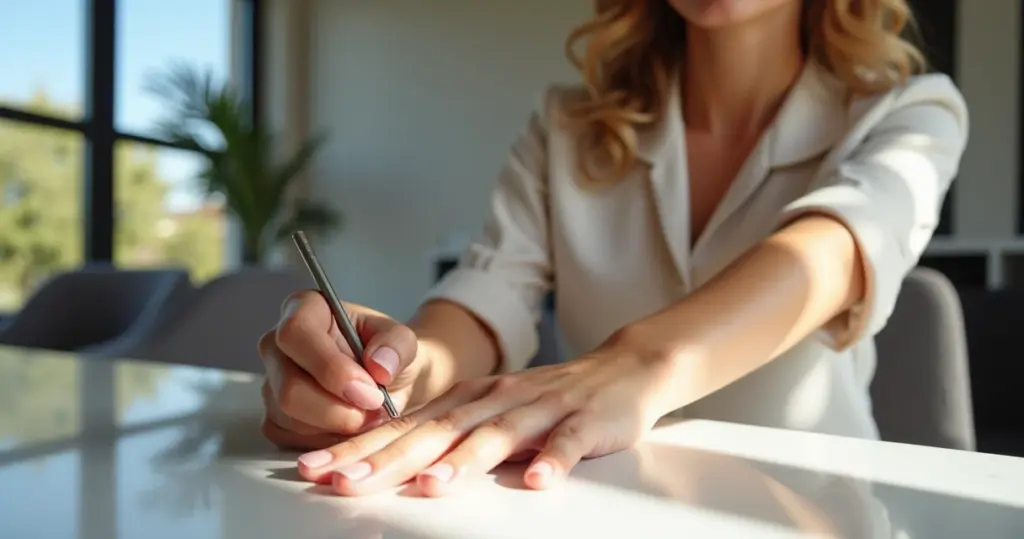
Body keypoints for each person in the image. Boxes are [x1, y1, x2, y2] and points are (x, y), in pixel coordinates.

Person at [257, 0, 968, 498]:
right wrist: (400, 371)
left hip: (813, 511)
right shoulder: (565, 126)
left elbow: (834, 253)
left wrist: (638, 366)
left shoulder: (911, 111)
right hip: (590, 507)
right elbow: (487, 296)